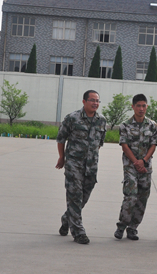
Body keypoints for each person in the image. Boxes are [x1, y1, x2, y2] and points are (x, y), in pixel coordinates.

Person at [55, 90, 106, 245]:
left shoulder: (101, 120)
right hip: (74, 164)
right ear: (84, 101)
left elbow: (99, 143)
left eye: (97, 101)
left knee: (83, 197)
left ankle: (66, 219)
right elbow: (61, 138)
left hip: (91, 166)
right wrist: (62, 157)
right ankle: (78, 232)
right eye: (92, 100)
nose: (95, 103)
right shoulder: (72, 118)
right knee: (74, 195)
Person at [114, 94, 157, 241]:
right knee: (131, 196)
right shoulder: (125, 125)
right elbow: (124, 146)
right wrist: (136, 162)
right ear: (133, 107)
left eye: (144, 106)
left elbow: (153, 144)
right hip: (130, 166)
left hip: (146, 167)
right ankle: (121, 226)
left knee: (142, 198)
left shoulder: (152, 125)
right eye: (138, 106)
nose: (141, 109)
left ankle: (133, 228)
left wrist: (144, 161)